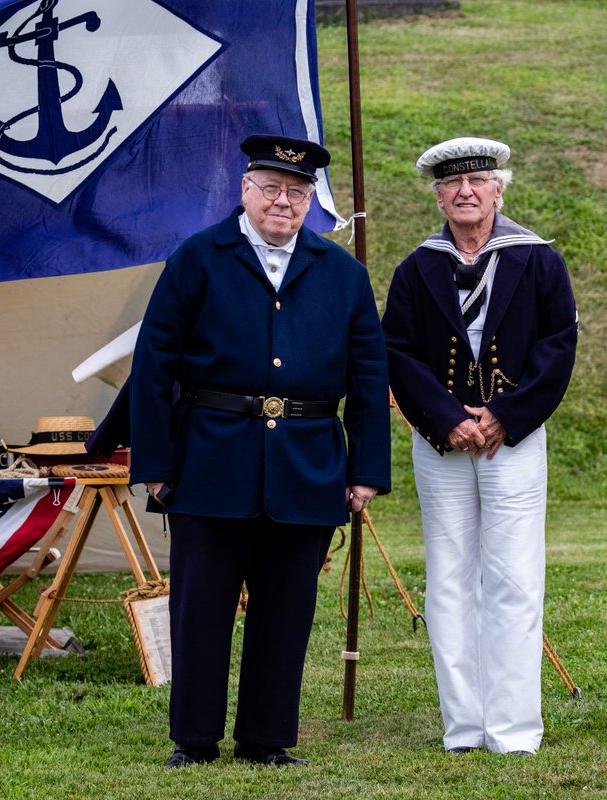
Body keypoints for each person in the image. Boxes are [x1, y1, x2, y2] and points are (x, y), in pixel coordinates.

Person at [129, 133, 391, 768]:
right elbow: (154, 364)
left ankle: (266, 738)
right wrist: (157, 465)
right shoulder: (198, 258)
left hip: (307, 465)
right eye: (271, 189)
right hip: (210, 462)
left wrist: (366, 470)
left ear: (311, 202)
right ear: (244, 190)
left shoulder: (343, 274)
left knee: (285, 611)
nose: (283, 202)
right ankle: (194, 739)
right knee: (201, 609)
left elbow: (367, 378)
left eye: (297, 193)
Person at [382, 137, 578, 756]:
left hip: (512, 442)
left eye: (478, 181)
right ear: (438, 194)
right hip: (441, 445)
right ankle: (463, 727)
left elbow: (558, 346)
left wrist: (503, 415)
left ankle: (514, 730)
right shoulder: (416, 268)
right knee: (447, 580)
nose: (465, 192)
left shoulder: (540, 260)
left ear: (499, 188)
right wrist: (447, 419)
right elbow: (399, 354)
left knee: (515, 577)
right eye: (452, 183)